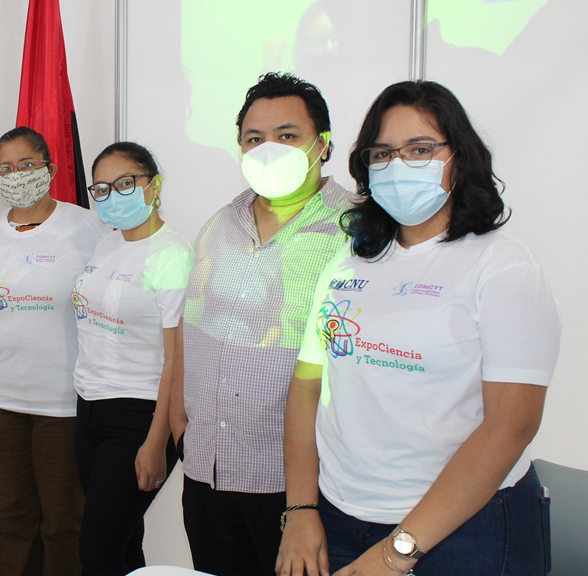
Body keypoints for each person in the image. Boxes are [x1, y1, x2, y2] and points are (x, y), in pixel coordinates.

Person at [277, 80, 560, 576]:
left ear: (460, 157)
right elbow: (307, 386)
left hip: (466, 528)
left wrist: (395, 553)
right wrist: (301, 510)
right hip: (341, 517)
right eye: (382, 153)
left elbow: (510, 425)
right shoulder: (350, 260)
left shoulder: (502, 265)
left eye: (420, 149)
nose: (398, 164)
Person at [167, 72, 358, 576]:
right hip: (207, 470)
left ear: (323, 144)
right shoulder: (220, 224)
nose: (268, 148)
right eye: (254, 139)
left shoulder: (357, 230)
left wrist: (304, 503)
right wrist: (180, 424)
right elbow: (193, 329)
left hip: (295, 484)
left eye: (287, 135)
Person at [0, 127, 106, 576]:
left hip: (62, 400)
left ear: (51, 168)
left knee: (64, 521)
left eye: (26, 165)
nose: (16, 176)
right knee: (11, 516)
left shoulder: (86, 227)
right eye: (5, 168)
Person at [71, 142, 191, 576]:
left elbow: (177, 358)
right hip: (89, 407)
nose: (111, 195)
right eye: (101, 189)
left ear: (153, 186)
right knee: (122, 541)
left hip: (139, 414)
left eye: (125, 183)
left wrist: (158, 440)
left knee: (97, 551)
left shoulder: (172, 255)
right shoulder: (106, 245)